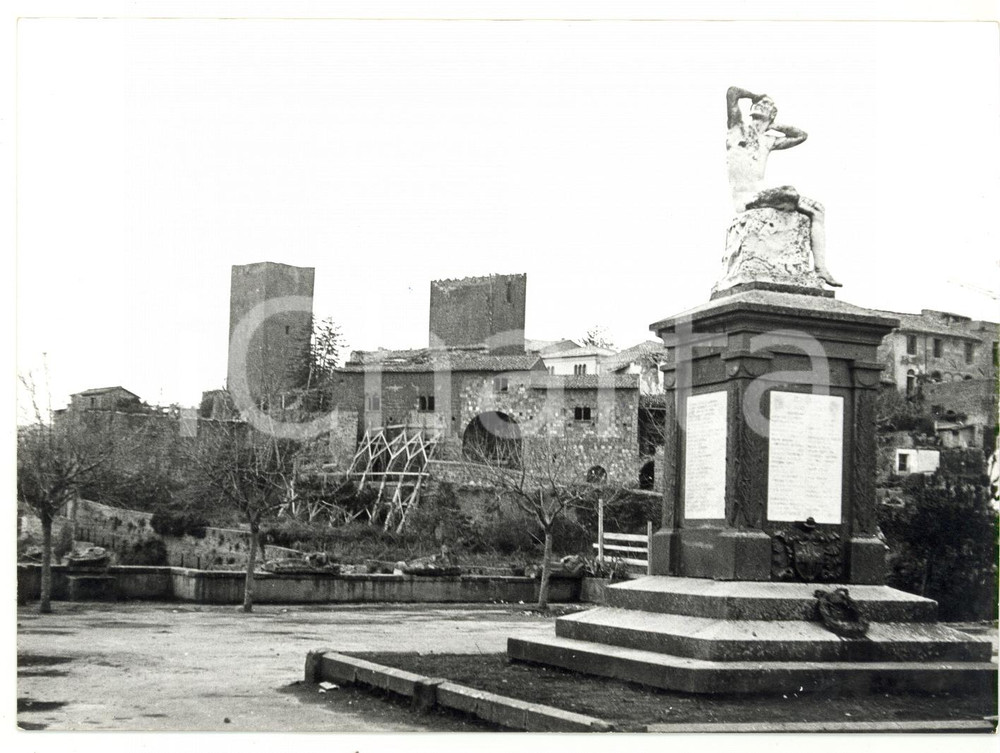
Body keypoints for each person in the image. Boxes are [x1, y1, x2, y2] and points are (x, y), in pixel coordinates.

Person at [726, 86, 841, 287]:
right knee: (789, 192)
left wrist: (773, 124)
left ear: (772, 115)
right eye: (760, 103)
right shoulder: (737, 129)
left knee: (818, 210)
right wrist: (755, 96)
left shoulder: (768, 141)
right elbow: (732, 93)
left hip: (763, 195)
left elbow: (801, 135)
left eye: (768, 105)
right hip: (747, 199)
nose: (762, 104)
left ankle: (821, 267)